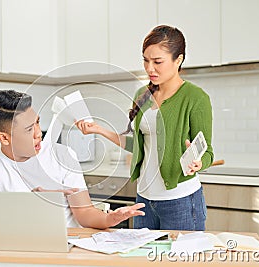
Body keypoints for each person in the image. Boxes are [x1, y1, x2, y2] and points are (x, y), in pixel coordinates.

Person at [75, 25, 213, 231]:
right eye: (146, 61)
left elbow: (208, 152)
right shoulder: (142, 94)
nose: (150, 68)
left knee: (181, 262)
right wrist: (99, 130)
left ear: (179, 60)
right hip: (144, 199)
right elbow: (137, 146)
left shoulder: (195, 98)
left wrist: (198, 163)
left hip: (181, 200)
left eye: (158, 62)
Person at [0, 89, 145, 229]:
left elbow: (84, 214)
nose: (38, 133)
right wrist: (30, 201)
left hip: (64, 247)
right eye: (29, 129)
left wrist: (109, 218)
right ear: (4, 138)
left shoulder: (63, 155)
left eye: (37, 122)